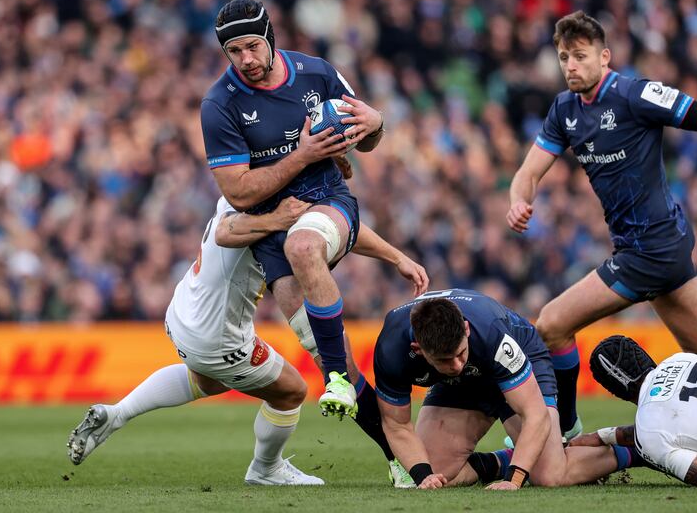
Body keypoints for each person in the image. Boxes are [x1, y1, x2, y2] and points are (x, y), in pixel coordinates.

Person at [506, 10, 697, 441]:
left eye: (580, 56)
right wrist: (518, 199)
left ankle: (564, 430)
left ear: (604, 57)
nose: (570, 65)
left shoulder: (633, 94)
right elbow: (528, 172)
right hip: (656, 245)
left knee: (551, 324)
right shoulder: (564, 109)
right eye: (564, 56)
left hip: (650, 249)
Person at [67, 196, 428, 486]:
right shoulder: (280, 216)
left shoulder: (240, 191)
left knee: (205, 379)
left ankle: (116, 414)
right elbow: (246, 240)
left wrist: (395, 256)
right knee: (290, 391)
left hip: (183, 311)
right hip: (217, 336)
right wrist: (329, 349)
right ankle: (265, 469)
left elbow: (340, 225)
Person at [201, 0, 386, 419]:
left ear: (269, 37)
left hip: (326, 199)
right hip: (271, 232)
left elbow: (367, 138)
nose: (245, 59)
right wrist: (302, 154)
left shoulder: (317, 73)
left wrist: (376, 124)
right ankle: (400, 459)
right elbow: (240, 197)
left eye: (252, 47)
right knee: (329, 356)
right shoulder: (219, 105)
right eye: (234, 51)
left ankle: (336, 377)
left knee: (303, 247)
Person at [373, 289, 645, 490]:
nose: (456, 364)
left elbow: (534, 414)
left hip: (523, 361)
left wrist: (515, 479)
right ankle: (501, 460)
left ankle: (640, 450)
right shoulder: (390, 350)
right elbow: (396, 425)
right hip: (467, 385)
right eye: (444, 360)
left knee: (549, 475)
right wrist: (424, 476)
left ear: (465, 330)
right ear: (418, 349)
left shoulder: (490, 332)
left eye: (460, 353)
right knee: (436, 472)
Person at [574, 335, 697, 487]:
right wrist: (604, 436)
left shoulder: (650, 433)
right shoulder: (682, 359)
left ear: (614, 391)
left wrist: (660, 457)